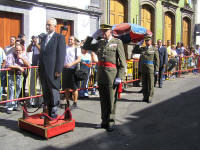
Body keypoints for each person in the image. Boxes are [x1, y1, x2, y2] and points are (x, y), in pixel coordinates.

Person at [82, 24, 126, 132]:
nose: (103, 33)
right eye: (101, 31)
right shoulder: (100, 42)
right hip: (101, 75)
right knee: (103, 100)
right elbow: (86, 47)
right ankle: (104, 121)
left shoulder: (117, 42)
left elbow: (122, 61)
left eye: (105, 31)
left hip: (112, 75)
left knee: (111, 100)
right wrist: (92, 36)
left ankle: (110, 122)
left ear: (110, 31)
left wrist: (119, 77)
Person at [39, 18, 66, 119]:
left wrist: (58, 70)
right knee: (45, 91)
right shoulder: (44, 37)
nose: (47, 27)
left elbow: (61, 55)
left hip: (54, 71)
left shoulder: (59, 37)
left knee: (53, 91)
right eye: (46, 25)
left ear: (55, 26)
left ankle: (53, 112)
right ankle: (46, 111)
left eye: (49, 25)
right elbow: (42, 54)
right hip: (43, 71)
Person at [5, 44, 30, 114]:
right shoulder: (10, 55)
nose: (18, 52)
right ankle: (9, 107)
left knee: (18, 90)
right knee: (11, 90)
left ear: (22, 51)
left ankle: (14, 104)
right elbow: (8, 65)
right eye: (16, 50)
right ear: (14, 50)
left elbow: (28, 65)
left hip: (19, 75)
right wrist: (18, 67)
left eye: (19, 50)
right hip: (11, 74)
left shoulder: (23, 56)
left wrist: (21, 58)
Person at [133, 35, 159, 103]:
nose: (147, 42)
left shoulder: (154, 49)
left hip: (150, 68)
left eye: (148, 40)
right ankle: (145, 96)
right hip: (143, 68)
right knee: (144, 83)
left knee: (150, 83)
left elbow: (157, 60)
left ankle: (150, 97)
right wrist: (138, 44)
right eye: (146, 41)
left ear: (151, 41)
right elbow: (134, 51)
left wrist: (157, 69)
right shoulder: (142, 48)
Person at [62, 36, 81, 109]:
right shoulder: (65, 48)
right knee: (66, 88)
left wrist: (71, 64)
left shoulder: (77, 49)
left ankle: (75, 103)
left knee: (74, 88)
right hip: (65, 70)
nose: (69, 40)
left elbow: (79, 59)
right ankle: (67, 102)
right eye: (69, 39)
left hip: (73, 70)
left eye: (71, 39)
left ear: (74, 41)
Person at [27, 36, 41, 107]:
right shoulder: (34, 45)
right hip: (34, 66)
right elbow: (28, 50)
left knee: (42, 85)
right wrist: (31, 43)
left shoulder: (42, 44)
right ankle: (32, 101)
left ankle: (41, 102)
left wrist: (36, 44)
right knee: (32, 84)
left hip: (41, 67)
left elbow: (41, 50)